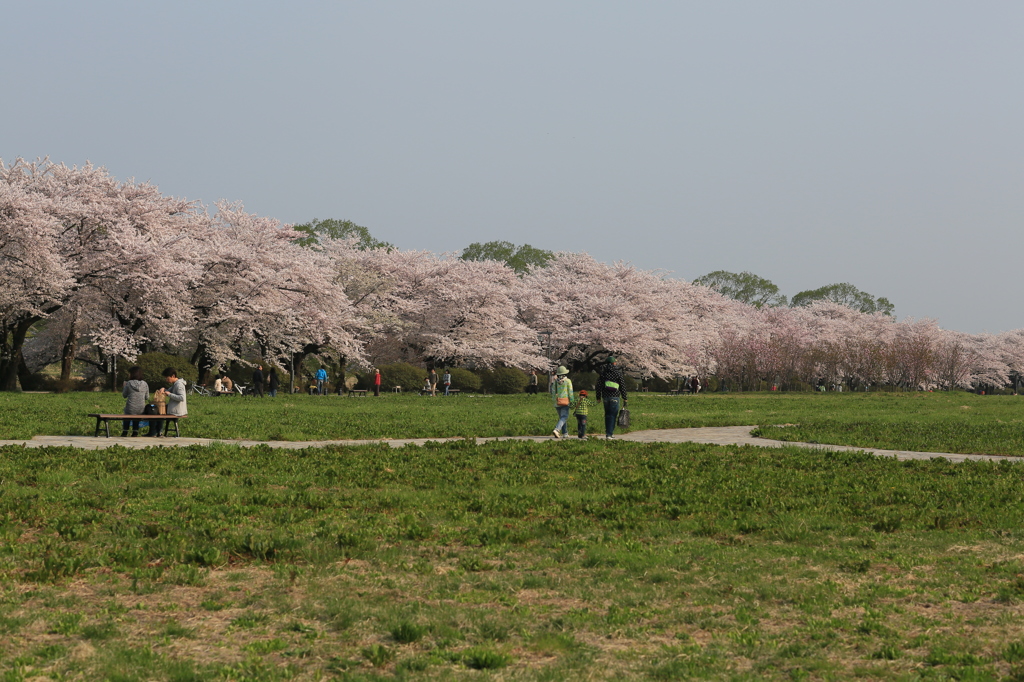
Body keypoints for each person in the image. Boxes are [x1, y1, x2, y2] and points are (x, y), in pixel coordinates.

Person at [596, 355, 628, 439]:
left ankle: (609, 432)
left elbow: (598, 385)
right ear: (614, 363)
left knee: (607, 415)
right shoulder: (618, 373)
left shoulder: (603, 373)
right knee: (613, 415)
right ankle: (609, 434)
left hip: (605, 397)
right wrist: (625, 397)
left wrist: (598, 396)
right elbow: (622, 385)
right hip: (615, 396)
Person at [150, 367, 187, 437]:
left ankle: (155, 432)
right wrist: (163, 389)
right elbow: (167, 390)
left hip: (176, 410)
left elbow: (181, 397)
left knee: (157, 412)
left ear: (173, 376)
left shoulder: (179, 385)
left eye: (167, 378)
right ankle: (157, 432)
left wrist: (169, 394)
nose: (166, 380)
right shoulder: (175, 384)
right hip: (174, 408)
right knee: (157, 410)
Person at [121, 366, 148, 437]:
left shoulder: (129, 383)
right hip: (141, 408)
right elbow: (147, 397)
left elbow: (124, 395)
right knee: (137, 414)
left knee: (127, 413)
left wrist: (124, 387)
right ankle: (135, 432)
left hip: (130, 407)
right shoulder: (145, 384)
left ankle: (125, 431)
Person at [549, 365, 573, 439]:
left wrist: (554, 400)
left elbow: (553, 392)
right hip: (565, 401)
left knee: (561, 418)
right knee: (564, 417)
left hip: (557, 402)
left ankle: (565, 433)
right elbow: (570, 392)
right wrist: (572, 400)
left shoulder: (555, 381)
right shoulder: (568, 381)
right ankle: (557, 429)